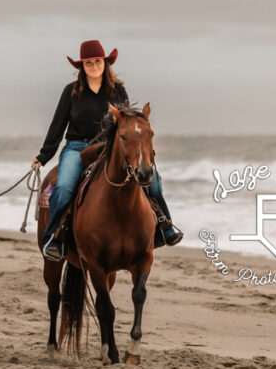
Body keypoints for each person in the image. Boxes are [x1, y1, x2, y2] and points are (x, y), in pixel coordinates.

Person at [32, 39, 184, 261]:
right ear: (82, 67)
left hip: (108, 148)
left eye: (97, 61)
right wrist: (43, 156)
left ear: (105, 63)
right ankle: (54, 238)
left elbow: (125, 124)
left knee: (153, 182)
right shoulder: (71, 91)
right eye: (88, 63)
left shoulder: (117, 90)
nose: (94, 66)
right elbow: (58, 125)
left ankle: (165, 228)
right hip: (76, 147)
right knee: (63, 188)